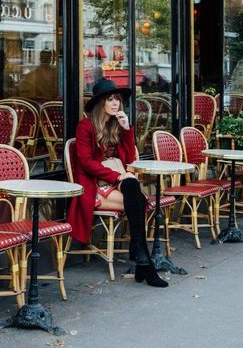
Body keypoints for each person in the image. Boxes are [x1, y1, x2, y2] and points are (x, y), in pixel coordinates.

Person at [67, 79, 168, 288]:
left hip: (117, 178)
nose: (115, 104)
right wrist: (117, 176)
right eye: (110, 99)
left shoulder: (116, 124)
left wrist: (127, 129)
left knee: (132, 189)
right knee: (138, 202)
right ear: (100, 103)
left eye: (118, 100)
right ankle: (144, 261)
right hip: (95, 183)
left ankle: (141, 255)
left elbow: (130, 158)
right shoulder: (85, 126)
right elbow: (85, 162)